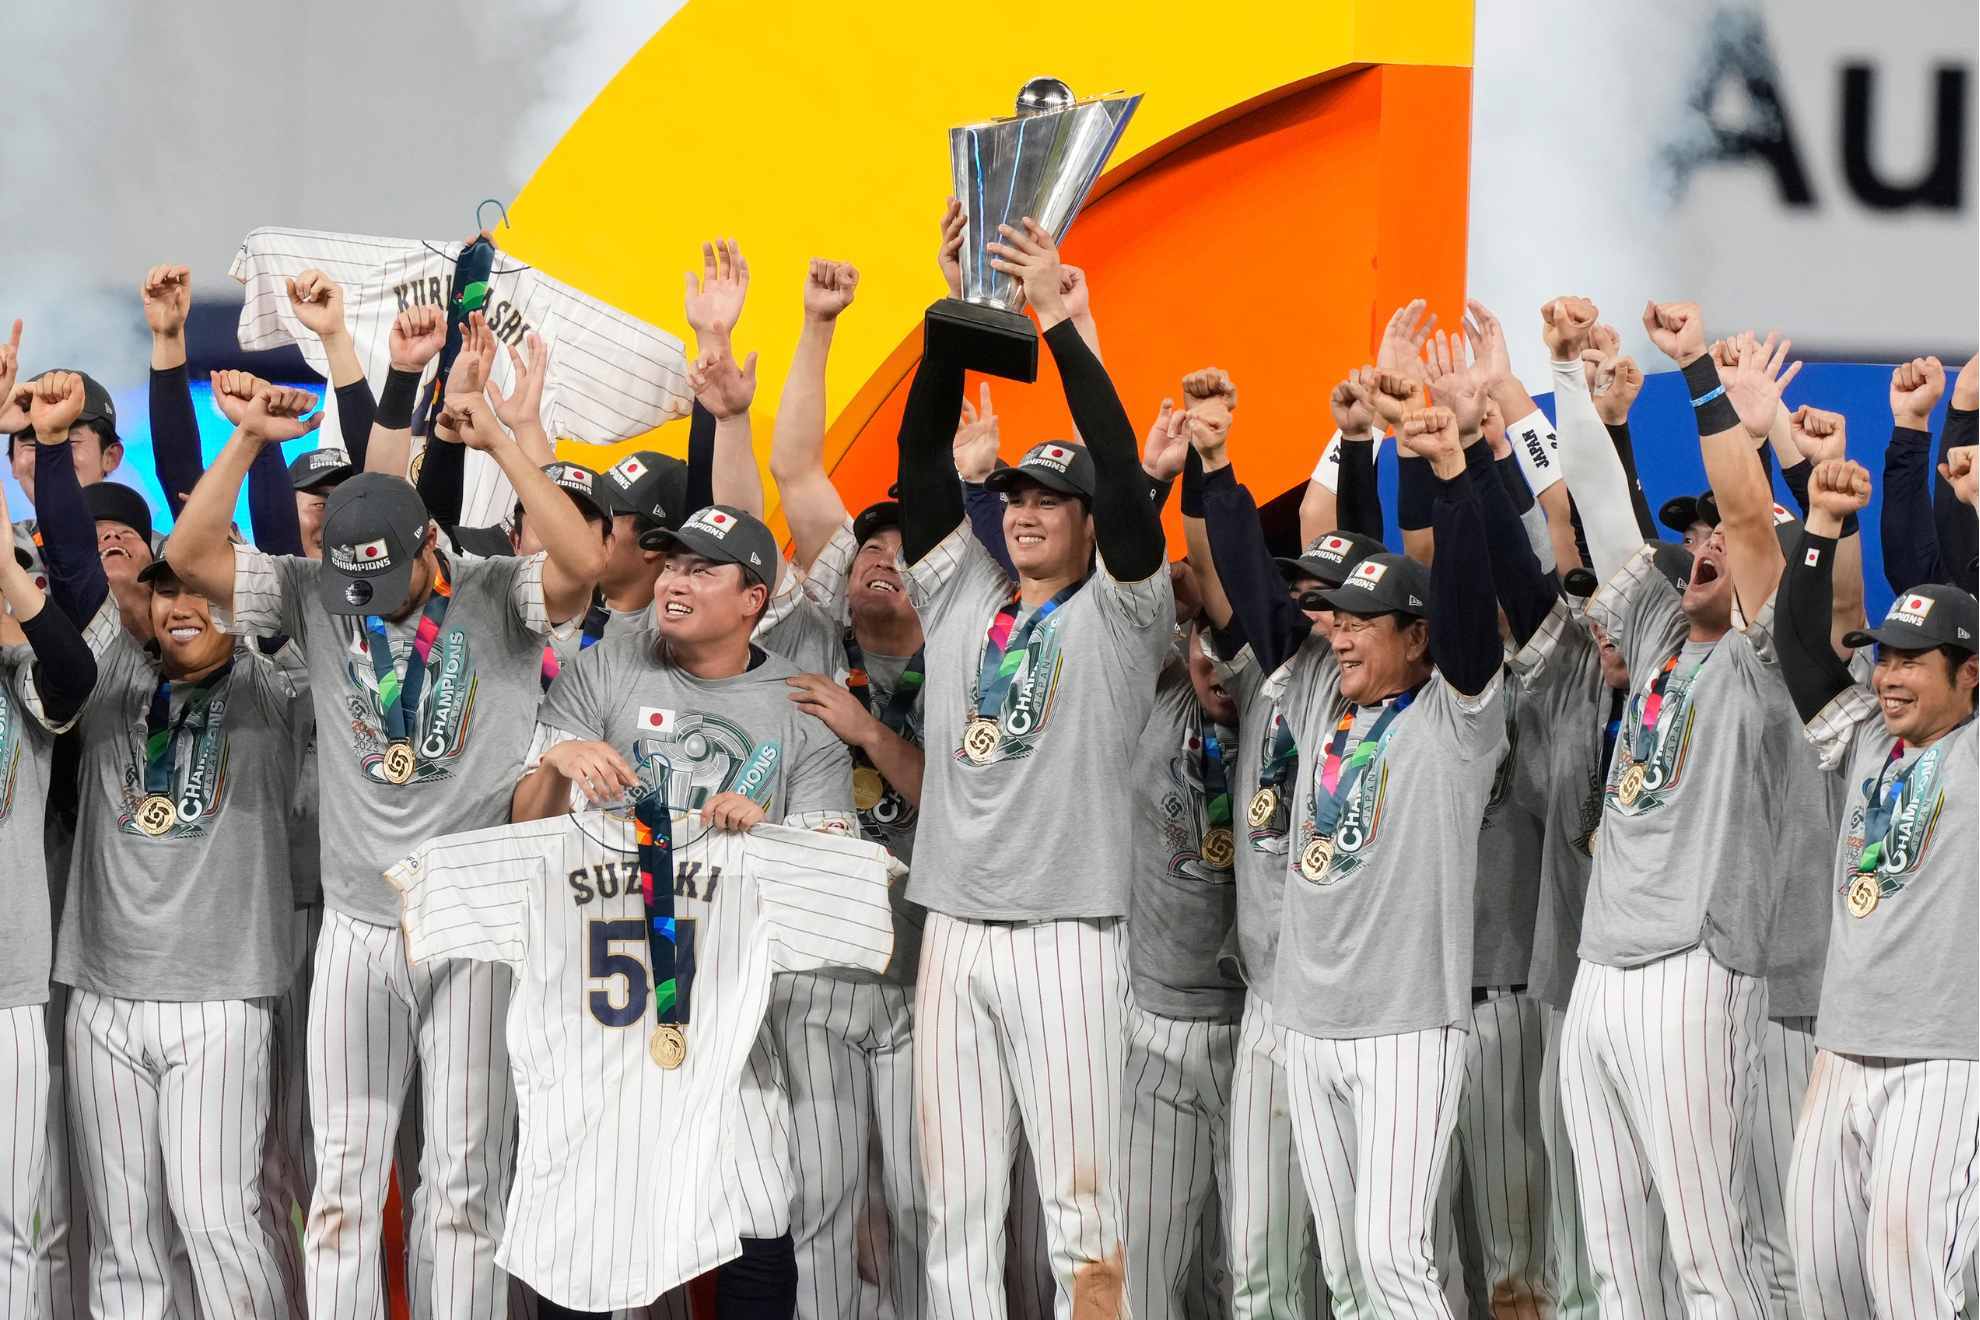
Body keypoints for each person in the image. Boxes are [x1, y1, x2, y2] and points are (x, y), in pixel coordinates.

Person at [163, 368, 605, 1319]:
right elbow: (191, 554)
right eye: (349, 580)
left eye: (385, 579)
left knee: (462, 1184)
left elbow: (580, 566)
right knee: (343, 1186)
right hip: (360, 928)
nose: (364, 600)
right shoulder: (317, 591)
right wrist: (244, 440)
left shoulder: (497, 592)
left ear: (432, 545)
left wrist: (499, 445)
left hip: (478, 922)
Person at [893, 214, 1170, 1320]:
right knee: (952, 1213)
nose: (1024, 512)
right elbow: (920, 461)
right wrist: (958, 316)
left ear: (1091, 521)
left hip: (1068, 937)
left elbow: (1136, 500)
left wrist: (1059, 328)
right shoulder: (963, 593)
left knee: (1081, 1216)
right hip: (953, 928)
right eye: (1013, 497)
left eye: (1049, 498)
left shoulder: (1121, 612)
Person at [1196, 393, 1507, 1318]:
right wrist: (1216, 467)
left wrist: (1450, 476)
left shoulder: (1456, 720)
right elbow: (1256, 592)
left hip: (1408, 1025)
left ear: (1416, 638)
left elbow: (1463, 606)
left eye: (1359, 621)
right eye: (1330, 616)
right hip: (1306, 1020)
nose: (1335, 634)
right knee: (1342, 1274)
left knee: (1392, 1260)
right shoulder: (1313, 699)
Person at [512, 502, 857, 1319]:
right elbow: (526, 825)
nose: (674, 580)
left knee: (757, 1212)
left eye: (704, 568)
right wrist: (558, 762)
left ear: (755, 599)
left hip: (730, 1010)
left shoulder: (800, 705)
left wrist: (767, 837)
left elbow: (827, 884)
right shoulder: (608, 669)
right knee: (590, 1222)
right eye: (671, 564)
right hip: (602, 998)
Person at [1550, 309, 1809, 1318]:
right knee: (1621, 1269)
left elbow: (1752, 523)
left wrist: (1700, 373)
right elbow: (1607, 513)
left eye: (1718, 535)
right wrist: (1566, 375)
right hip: (1602, 970)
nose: (1701, 543)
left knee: (1713, 1254)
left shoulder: (1766, 655)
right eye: (1689, 530)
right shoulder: (1658, 632)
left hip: (1696, 971)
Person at [759, 256, 933, 1320]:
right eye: (872, 542)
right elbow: (792, 468)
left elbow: (948, 799)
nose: (879, 558)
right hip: (821, 966)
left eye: (906, 553)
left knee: (925, 1208)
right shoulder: (825, 621)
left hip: (927, 970)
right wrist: (819, 323)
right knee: (821, 1202)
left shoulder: (968, 647)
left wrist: (868, 726)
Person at [1768, 457, 1978, 1318]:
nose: (1888, 676)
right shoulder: (1863, 741)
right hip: (1844, 1045)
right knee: (1822, 1280)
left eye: (1913, 661)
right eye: (1884, 657)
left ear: (1969, 673)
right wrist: (1818, 526)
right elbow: (1799, 651)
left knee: (1911, 1285)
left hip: (1947, 1058)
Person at [0, 469, 97, 1320]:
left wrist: (8, 565)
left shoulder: (25, 677)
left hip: (9, 991)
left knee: (13, 1228)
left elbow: (75, 674)